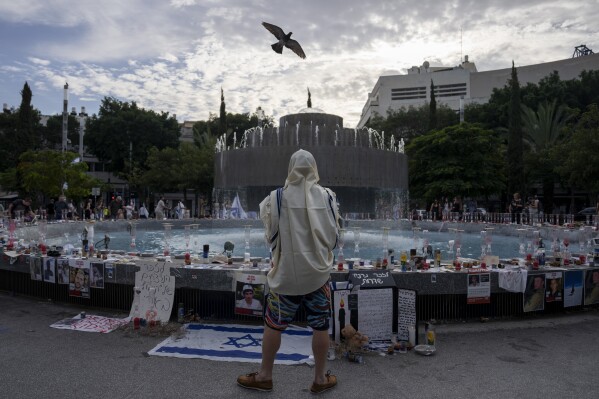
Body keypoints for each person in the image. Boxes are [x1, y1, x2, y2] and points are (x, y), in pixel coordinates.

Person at [237, 149, 340, 394]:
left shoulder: (276, 198)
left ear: (290, 168)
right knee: (320, 326)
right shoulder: (327, 196)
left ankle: (264, 376)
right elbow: (335, 238)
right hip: (318, 277)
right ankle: (319, 379)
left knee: (273, 325)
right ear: (314, 168)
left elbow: (270, 236)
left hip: (286, 278)